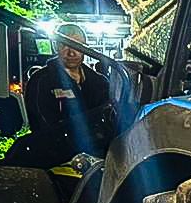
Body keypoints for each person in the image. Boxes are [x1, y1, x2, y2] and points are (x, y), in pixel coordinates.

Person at [6, 23, 116, 167]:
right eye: (65, 46)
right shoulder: (41, 81)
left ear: (85, 48)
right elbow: (42, 124)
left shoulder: (99, 81)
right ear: (55, 46)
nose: (71, 53)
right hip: (57, 159)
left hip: (98, 157)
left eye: (77, 46)